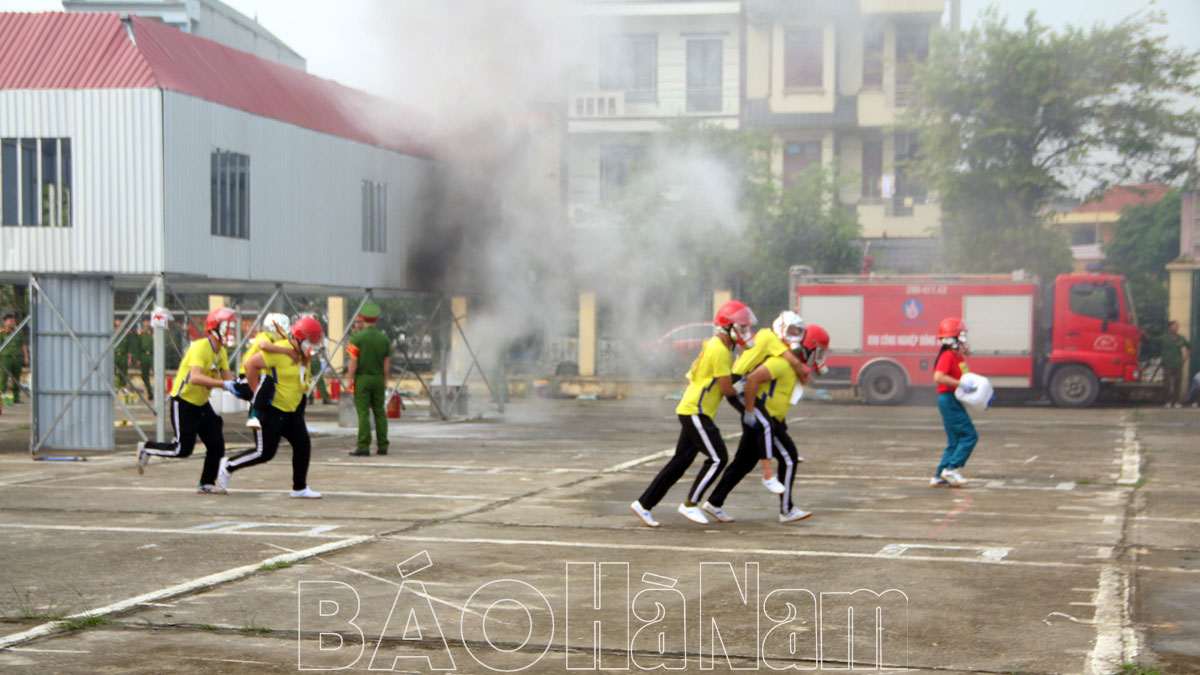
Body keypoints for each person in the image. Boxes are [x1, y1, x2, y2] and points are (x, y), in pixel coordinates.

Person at [630, 300, 756, 527]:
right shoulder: (720, 350)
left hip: (693, 409)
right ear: (728, 327)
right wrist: (742, 385)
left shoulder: (715, 345)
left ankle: (644, 503)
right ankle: (690, 504)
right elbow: (727, 390)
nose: (746, 332)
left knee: (680, 462)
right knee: (719, 458)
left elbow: (694, 377)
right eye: (742, 327)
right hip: (696, 411)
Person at [703, 325, 830, 524]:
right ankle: (786, 510)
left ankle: (714, 502)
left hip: (771, 420)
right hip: (765, 421)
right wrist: (751, 411)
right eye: (818, 350)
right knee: (789, 458)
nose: (819, 356)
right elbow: (754, 378)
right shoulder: (781, 363)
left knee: (743, 462)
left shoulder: (791, 365)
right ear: (808, 347)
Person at [217, 316, 324, 498]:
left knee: (302, 445)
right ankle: (228, 465)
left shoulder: (304, 358)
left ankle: (299, 488)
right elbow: (250, 364)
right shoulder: (282, 350)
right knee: (264, 453)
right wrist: (255, 392)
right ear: (299, 338)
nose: (313, 346)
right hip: (272, 410)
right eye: (310, 342)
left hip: (292, 410)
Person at [136, 307, 238, 494]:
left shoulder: (220, 352)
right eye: (226, 327)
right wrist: (224, 384)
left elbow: (229, 379)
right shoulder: (200, 347)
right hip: (184, 402)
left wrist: (241, 387)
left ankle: (206, 483)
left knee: (216, 445)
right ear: (214, 328)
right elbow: (195, 378)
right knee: (182, 449)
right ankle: (147, 448)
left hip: (201, 404)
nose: (230, 331)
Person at [725, 310, 813, 495]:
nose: (794, 336)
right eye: (791, 331)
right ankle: (768, 475)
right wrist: (804, 377)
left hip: (740, 380)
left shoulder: (767, 339)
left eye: (798, 332)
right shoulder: (771, 339)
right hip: (738, 382)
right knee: (765, 424)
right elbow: (794, 362)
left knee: (745, 459)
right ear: (780, 328)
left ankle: (714, 502)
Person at [233, 313, 301, 428]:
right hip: (245, 378)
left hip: (257, 377)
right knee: (267, 382)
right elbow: (264, 346)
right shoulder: (264, 337)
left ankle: (298, 420)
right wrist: (288, 351)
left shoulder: (273, 340)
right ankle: (254, 415)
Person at [931, 317, 977, 487]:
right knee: (969, 435)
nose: (965, 338)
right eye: (962, 335)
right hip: (948, 399)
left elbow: (965, 377)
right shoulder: (948, 355)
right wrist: (961, 384)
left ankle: (940, 475)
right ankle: (952, 469)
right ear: (954, 338)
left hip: (953, 398)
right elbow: (938, 377)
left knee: (954, 440)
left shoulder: (957, 357)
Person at [347, 302, 391, 456]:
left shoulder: (357, 338)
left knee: (363, 412)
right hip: (378, 378)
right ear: (377, 319)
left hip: (362, 379)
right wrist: (385, 381)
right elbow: (386, 364)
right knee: (380, 412)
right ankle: (383, 445)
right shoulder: (384, 339)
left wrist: (349, 380)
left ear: (363, 319)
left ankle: (364, 446)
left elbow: (353, 362)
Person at [1160, 320, 1191, 408]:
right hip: (1167, 364)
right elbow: (1153, 341)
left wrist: (1185, 358)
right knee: (1167, 383)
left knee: (1178, 383)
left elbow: (1189, 348)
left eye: (1177, 326)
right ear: (1170, 327)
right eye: (1174, 326)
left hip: (1178, 364)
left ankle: (1176, 401)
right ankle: (1168, 401)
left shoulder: (1181, 338)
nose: (1176, 328)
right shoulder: (1164, 338)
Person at [1, 313, 29, 404]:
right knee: (3, 379)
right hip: (6, 358)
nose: (13, 322)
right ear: (5, 322)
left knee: (17, 379)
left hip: (17, 358)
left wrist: (26, 357)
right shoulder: (1, 333)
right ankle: (2, 398)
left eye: (14, 320)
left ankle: (16, 398)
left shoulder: (18, 332)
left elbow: (23, 345)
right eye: (10, 321)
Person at [135, 318, 154, 400]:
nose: (147, 323)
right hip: (144, 355)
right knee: (144, 375)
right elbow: (138, 346)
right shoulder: (142, 334)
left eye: (149, 321)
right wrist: (138, 359)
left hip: (153, 355)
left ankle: (158, 392)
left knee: (157, 373)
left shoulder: (155, 333)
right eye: (146, 322)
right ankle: (150, 392)